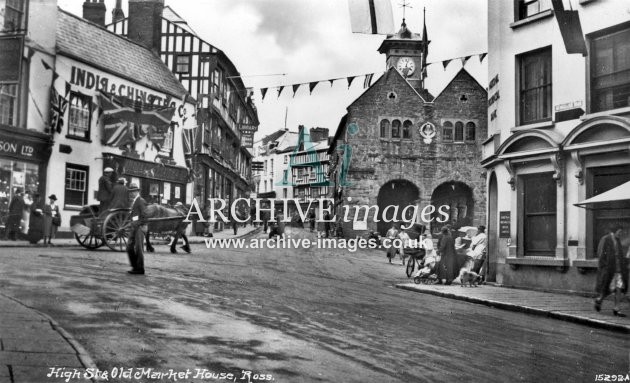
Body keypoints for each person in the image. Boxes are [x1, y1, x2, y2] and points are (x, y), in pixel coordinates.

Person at [594, 225, 628, 317]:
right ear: (615, 231)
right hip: (609, 270)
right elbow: (600, 254)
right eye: (619, 232)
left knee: (618, 289)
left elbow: (620, 255)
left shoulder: (617, 240)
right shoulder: (606, 239)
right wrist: (604, 267)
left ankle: (616, 309)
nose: (621, 234)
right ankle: (599, 300)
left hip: (618, 271)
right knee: (606, 288)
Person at [126, 183, 148, 275]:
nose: (131, 193)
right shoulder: (134, 201)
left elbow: (144, 216)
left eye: (133, 191)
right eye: (130, 191)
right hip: (134, 226)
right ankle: (135, 266)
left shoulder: (140, 201)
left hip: (140, 227)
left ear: (137, 191)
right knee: (129, 247)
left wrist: (136, 224)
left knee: (139, 248)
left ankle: (140, 268)